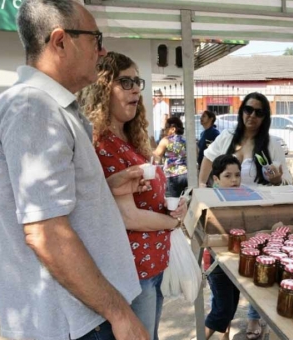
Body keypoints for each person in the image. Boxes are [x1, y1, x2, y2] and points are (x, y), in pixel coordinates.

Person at [0, 1, 150, 339]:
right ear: (60, 41)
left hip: (85, 314)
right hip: (80, 320)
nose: (101, 52)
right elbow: (46, 234)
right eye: (95, 39)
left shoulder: (46, 107)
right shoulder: (33, 109)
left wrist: (103, 187)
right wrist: (119, 313)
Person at [80, 51, 186, 340]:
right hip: (132, 273)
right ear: (102, 89)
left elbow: (145, 199)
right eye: (124, 82)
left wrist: (173, 208)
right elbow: (128, 216)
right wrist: (175, 223)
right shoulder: (102, 144)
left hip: (152, 265)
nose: (136, 88)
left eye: (136, 81)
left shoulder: (132, 139)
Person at [198, 92, 293, 339]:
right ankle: (222, 323)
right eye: (248, 110)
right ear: (241, 111)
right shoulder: (227, 137)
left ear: (265, 117)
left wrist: (277, 179)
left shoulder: (271, 144)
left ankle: (253, 319)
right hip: (226, 220)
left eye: (259, 112)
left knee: (257, 274)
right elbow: (208, 161)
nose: (252, 116)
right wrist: (202, 189)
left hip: (259, 222)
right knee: (223, 277)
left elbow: (287, 181)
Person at [205, 154, 243, 340]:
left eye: (237, 175)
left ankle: (224, 337)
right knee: (222, 310)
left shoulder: (244, 197)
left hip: (235, 259)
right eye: (228, 176)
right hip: (217, 263)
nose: (234, 180)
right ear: (216, 179)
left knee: (231, 304)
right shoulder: (211, 200)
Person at [154, 116, 188, 198]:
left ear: (173, 129)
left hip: (173, 176)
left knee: (174, 202)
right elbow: (196, 153)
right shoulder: (187, 140)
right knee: (186, 201)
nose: (165, 130)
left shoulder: (166, 140)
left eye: (166, 128)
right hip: (187, 174)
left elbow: (156, 155)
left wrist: (150, 147)